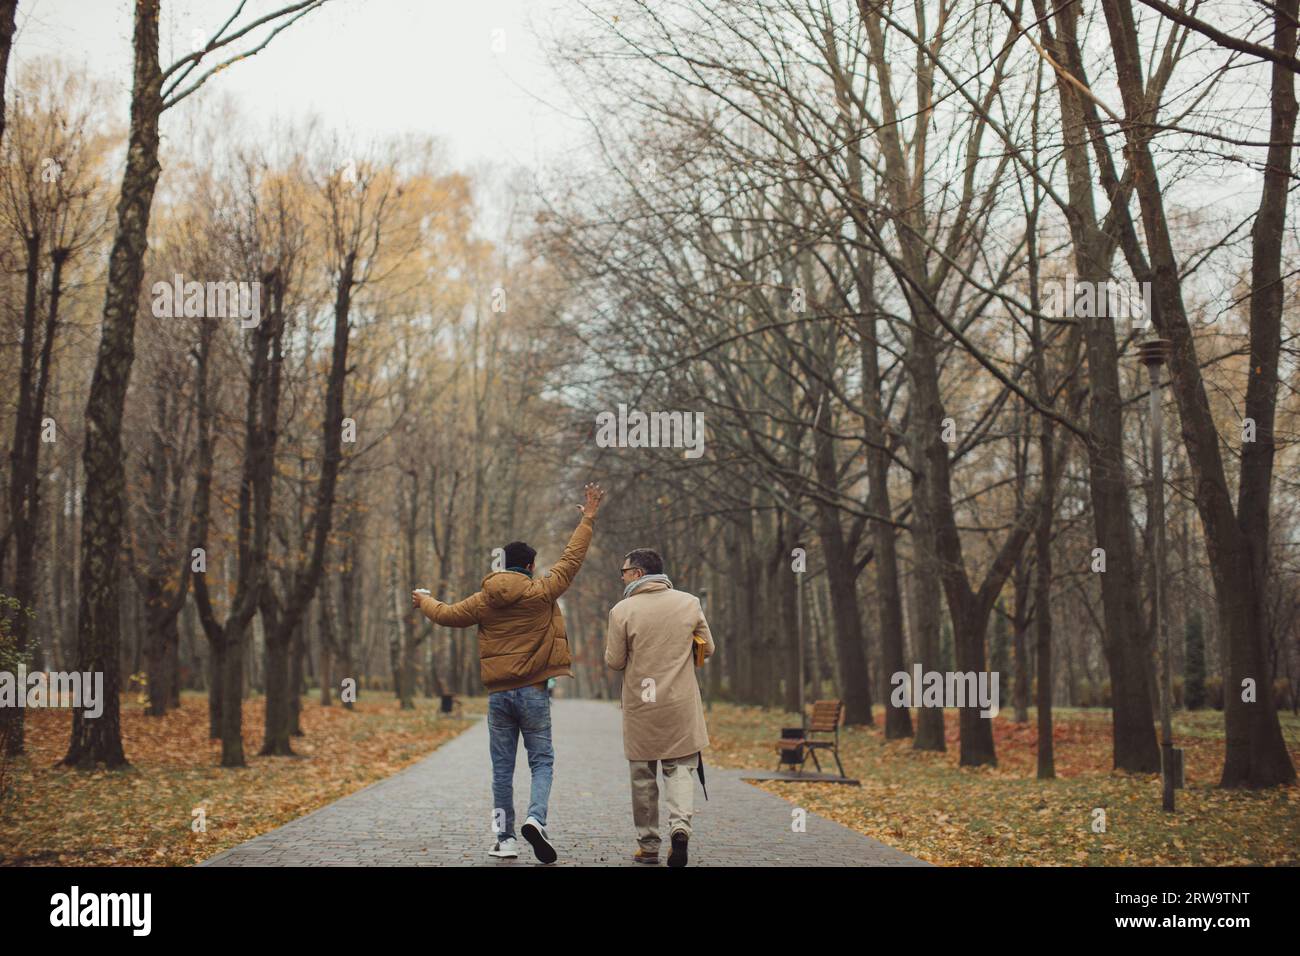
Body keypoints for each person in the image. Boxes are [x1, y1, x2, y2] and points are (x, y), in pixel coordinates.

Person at [414, 483, 604, 864]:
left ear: (502, 566)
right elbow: (571, 559)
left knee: (502, 769)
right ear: (531, 566)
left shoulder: (484, 600)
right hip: (534, 692)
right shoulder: (542, 592)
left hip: (499, 697)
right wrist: (587, 518)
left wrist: (425, 600)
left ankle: (505, 839)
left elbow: (447, 615)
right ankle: (536, 818)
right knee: (542, 761)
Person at [604, 548, 714, 867]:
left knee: (643, 775)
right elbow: (708, 649)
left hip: (643, 703)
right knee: (679, 769)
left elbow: (614, 661)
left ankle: (649, 845)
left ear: (637, 574)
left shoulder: (622, 611)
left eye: (624, 571)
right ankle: (680, 827)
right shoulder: (690, 603)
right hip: (680, 702)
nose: (622, 577)